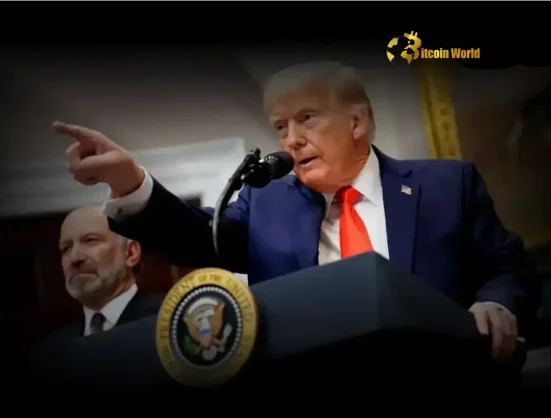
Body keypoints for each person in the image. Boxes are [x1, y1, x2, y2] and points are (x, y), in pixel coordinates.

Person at [52, 61, 540, 363]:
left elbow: (509, 268)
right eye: (281, 126)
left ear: (357, 121)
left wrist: (497, 305)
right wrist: (129, 181)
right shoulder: (266, 203)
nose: (291, 139)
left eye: (307, 118)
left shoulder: (446, 185)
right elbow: (199, 238)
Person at [54, 206, 163, 338]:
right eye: (66, 248)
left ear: (130, 253)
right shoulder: (54, 348)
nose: (74, 258)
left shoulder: (166, 326)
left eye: (90, 240)